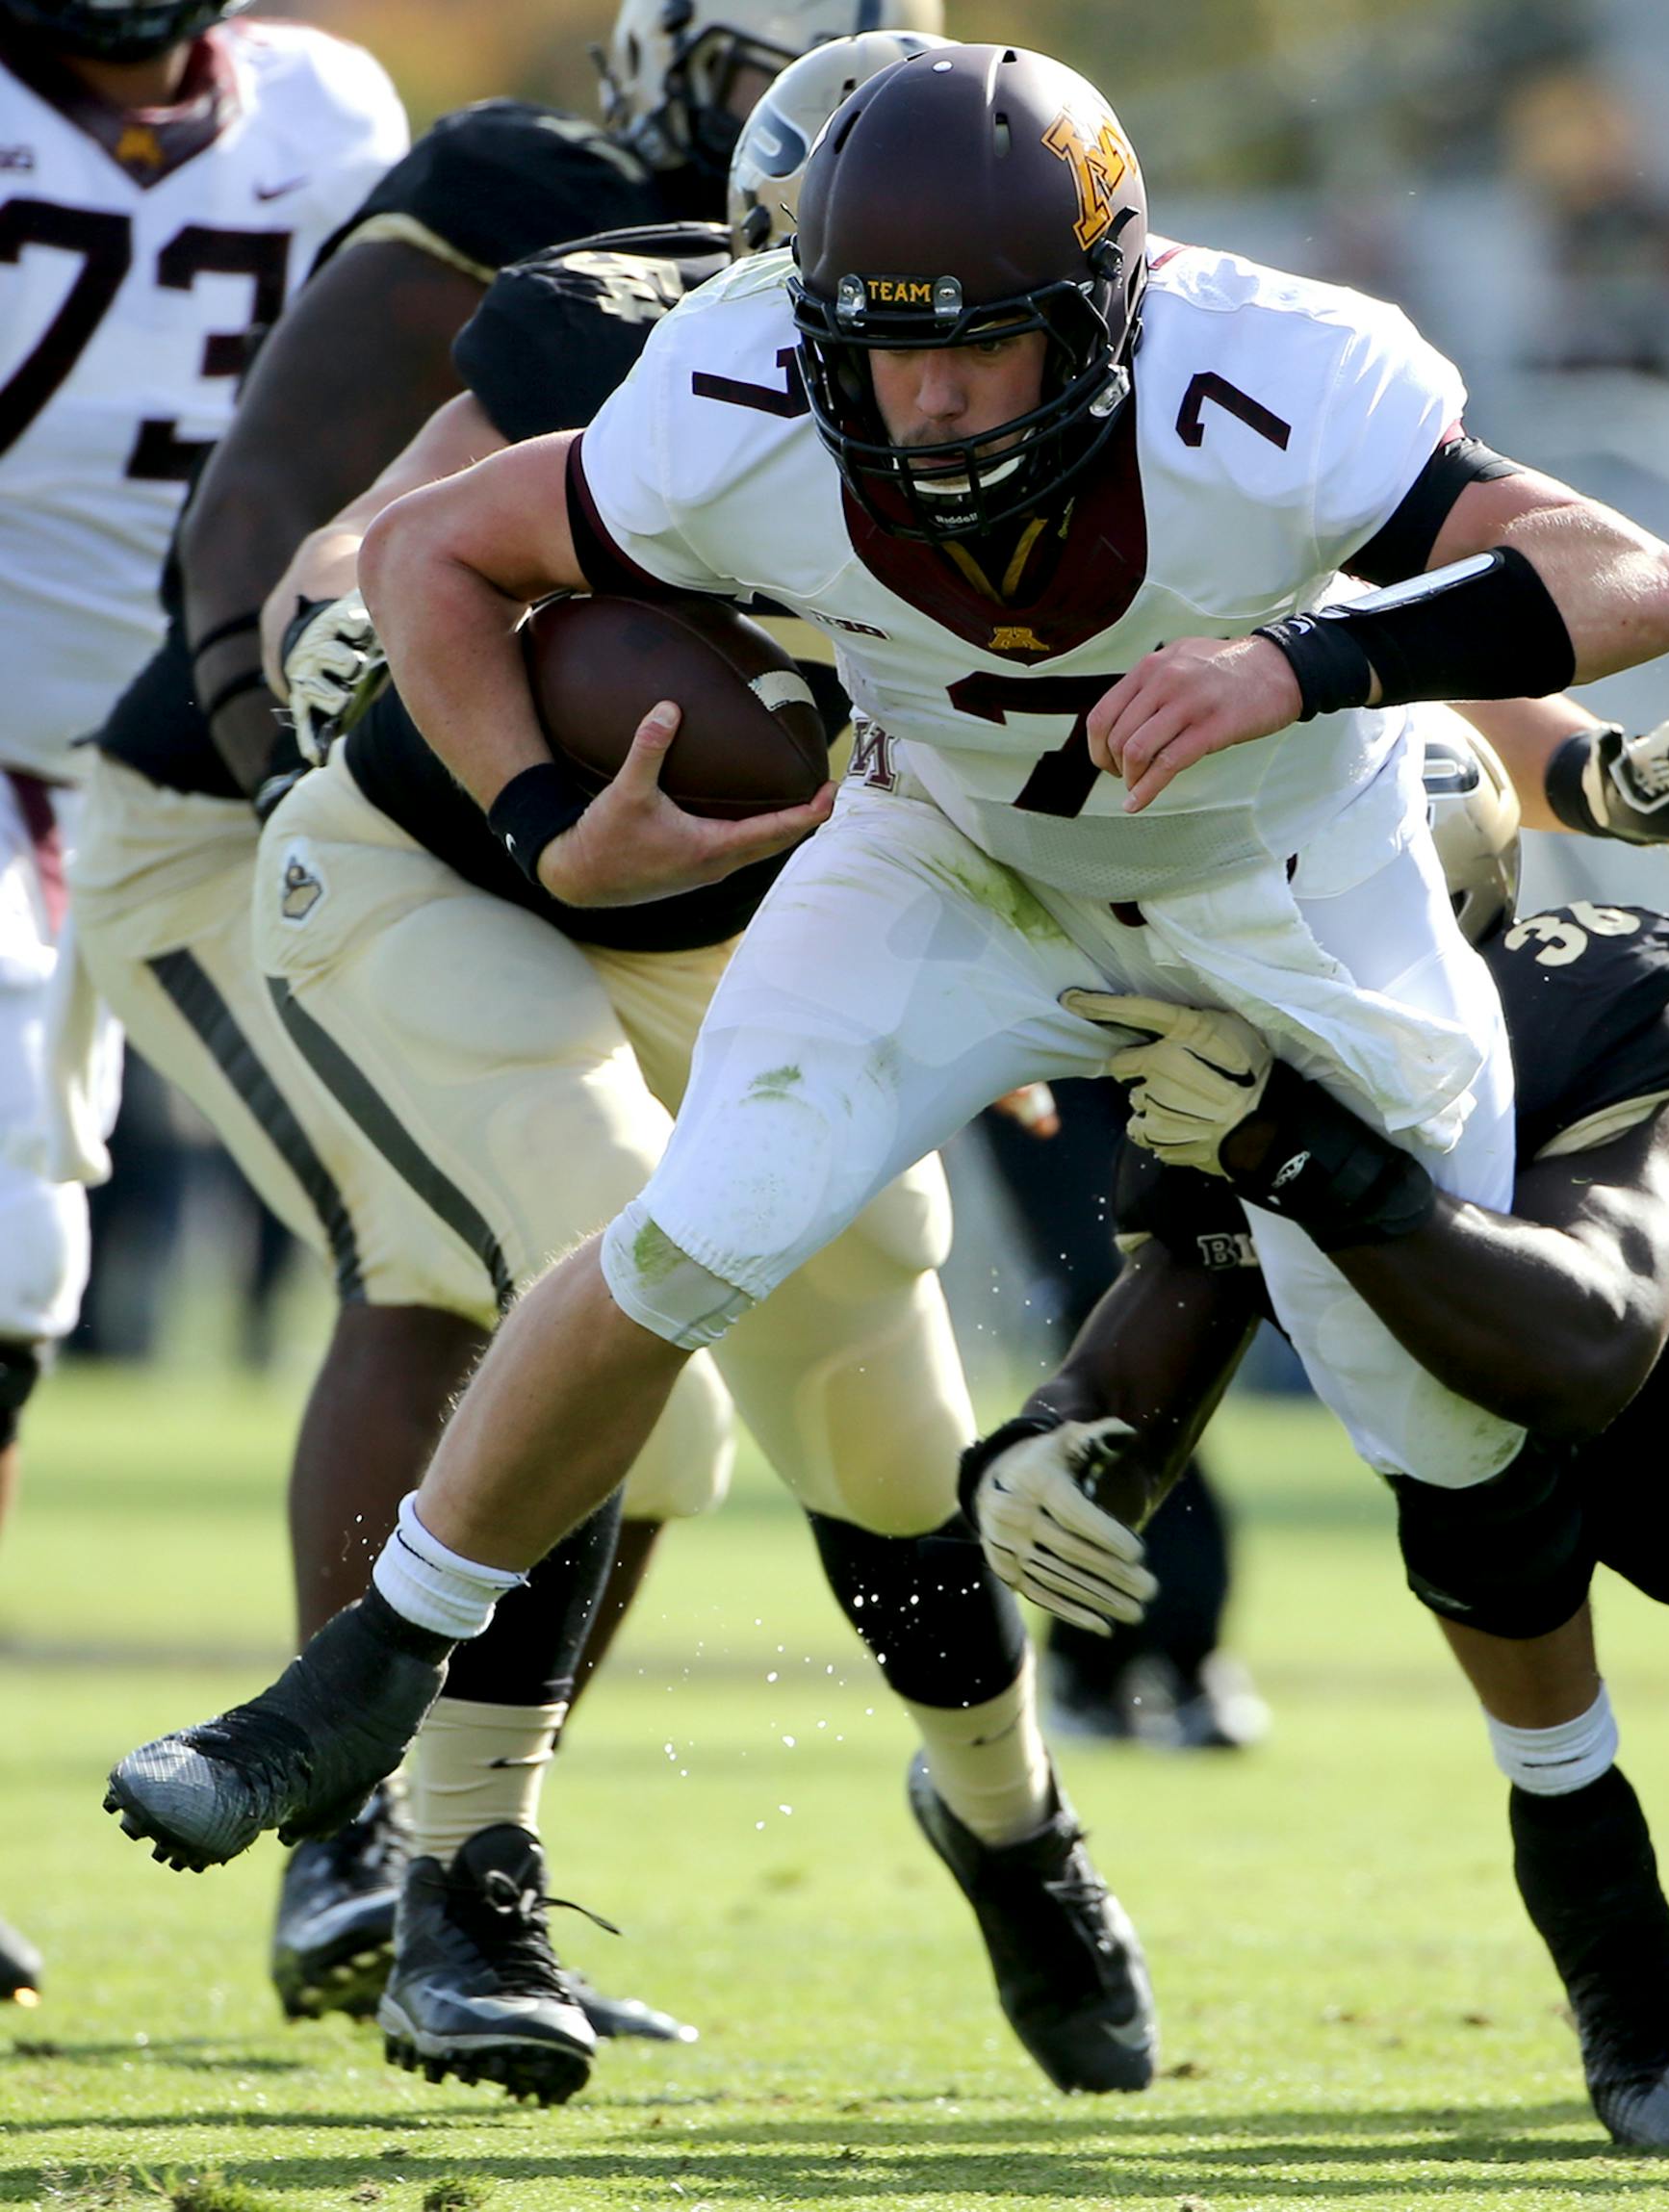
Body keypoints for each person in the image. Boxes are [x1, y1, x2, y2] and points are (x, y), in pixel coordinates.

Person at [106, 36, 1669, 2053]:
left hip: (1267, 875)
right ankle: (374, 1725)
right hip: (872, 860)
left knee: (1444, 1423)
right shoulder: (706, 370)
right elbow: (406, 545)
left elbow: (1618, 578)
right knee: (682, 1232)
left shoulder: (1272, 376)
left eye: (982, 347)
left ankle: (1551, 1850)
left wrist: (1318, 665)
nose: (923, 403)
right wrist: (523, 807)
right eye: (873, 337)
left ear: (1110, 308)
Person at [66, 0, 939, 2061]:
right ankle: (376, 1860)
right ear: (664, 74)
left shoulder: (916, 303)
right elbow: (278, 507)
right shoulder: (532, 212)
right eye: (758, 85)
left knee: (595, 1314)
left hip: (550, 877)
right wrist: (320, 764)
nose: (803, 138)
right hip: (260, 824)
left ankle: (446, 1862)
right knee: (491, 1276)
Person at [967, 727, 1669, 2148]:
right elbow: (1154, 1340)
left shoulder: (1588, 1007)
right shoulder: (1256, 1086)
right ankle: (1589, 1877)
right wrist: (1042, 1448)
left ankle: (1588, 1886)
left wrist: (1304, 1152)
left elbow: (1583, 1342)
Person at [0, 0, 404, 2001]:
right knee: (5, 1268)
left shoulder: (328, 105)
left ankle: (376, 1847)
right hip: (7, 755)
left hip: (230, 764)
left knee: (449, 1242)